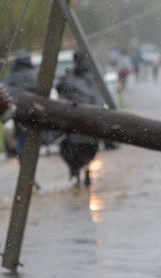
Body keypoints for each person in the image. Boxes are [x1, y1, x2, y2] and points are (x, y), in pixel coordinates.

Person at [56, 53, 103, 186]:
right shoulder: (93, 78)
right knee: (86, 151)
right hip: (89, 129)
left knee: (69, 150)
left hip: (75, 130)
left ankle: (76, 172)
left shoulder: (72, 78)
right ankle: (82, 169)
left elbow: (62, 95)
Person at [5, 50, 38, 157]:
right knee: (32, 134)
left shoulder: (11, 75)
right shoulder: (34, 73)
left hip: (17, 111)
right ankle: (29, 154)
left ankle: (22, 154)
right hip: (32, 111)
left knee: (20, 135)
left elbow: (7, 92)